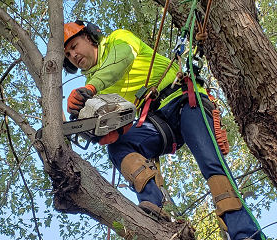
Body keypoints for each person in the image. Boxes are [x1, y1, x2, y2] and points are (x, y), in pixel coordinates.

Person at [63, 20, 264, 240]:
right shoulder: (92, 84)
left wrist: (90, 89)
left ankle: (245, 233)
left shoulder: (117, 40)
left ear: (90, 37)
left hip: (184, 100)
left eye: (74, 46)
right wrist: (105, 129)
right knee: (120, 146)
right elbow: (118, 115)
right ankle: (154, 207)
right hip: (156, 120)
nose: (73, 55)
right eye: (68, 54)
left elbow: (121, 61)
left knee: (210, 162)